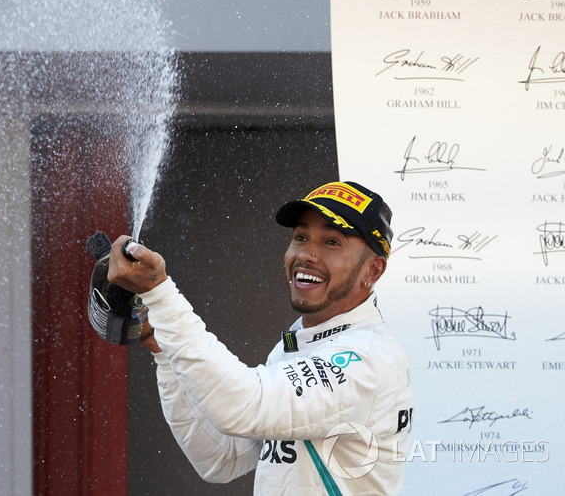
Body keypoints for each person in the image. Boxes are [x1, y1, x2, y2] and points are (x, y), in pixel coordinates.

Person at [107, 181, 414, 495]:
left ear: (373, 271)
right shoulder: (299, 343)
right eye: (300, 237)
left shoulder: (369, 358)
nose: (307, 254)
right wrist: (164, 351)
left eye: (332, 242)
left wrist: (159, 293)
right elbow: (221, 459)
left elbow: (244, 406)